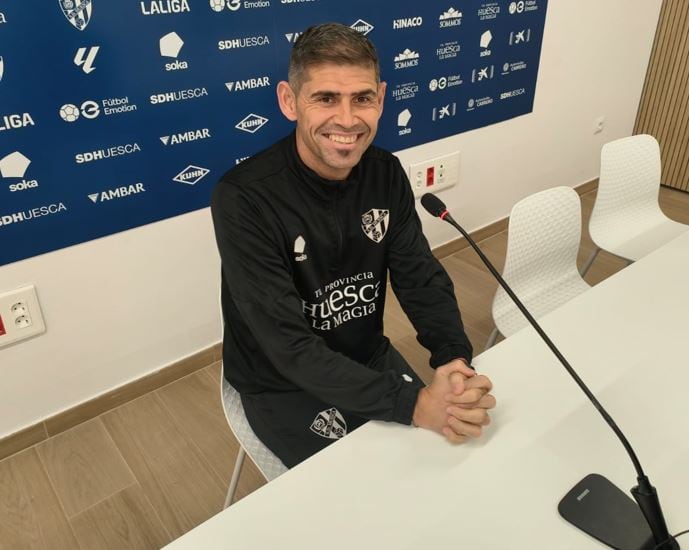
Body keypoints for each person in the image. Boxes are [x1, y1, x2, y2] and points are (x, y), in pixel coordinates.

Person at [211, 22, 496, 468]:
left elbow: (419, 277)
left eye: (362, 98)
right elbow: (287, 346)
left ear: (380, 98)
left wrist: (453, 360)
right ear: (290, 101)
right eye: (325, 98)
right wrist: (413, 404)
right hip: (283, 382)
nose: (347, 119)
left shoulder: (385, 172)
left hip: (365, 356)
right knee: (369, 494)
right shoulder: (243, 197)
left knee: (443, 461)